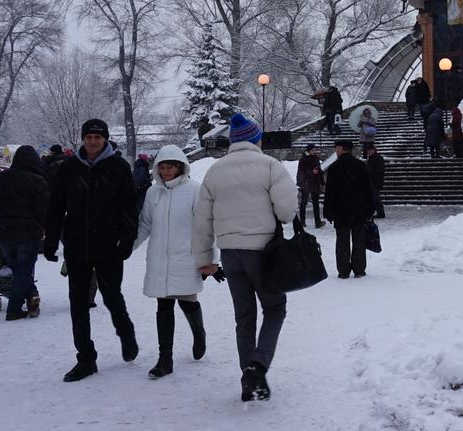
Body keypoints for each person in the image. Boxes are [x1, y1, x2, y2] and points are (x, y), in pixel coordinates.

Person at [194, 113, 297, 401]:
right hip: (263, 253)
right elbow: (286, 212)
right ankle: (258, 364)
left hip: (230, 254)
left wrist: (205, 257)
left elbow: (202, 219)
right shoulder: (270, 166)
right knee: (275, 308)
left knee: (244, 316)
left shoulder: (214, 171)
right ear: (255, 139)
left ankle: (247, 380)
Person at [43, 118, 140, 383]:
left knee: (111, 296)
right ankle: (86, 358)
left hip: (109, 246)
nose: (93, 141)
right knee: (78, 304)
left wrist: (126, 240)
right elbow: (55, 207)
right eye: (89, 137)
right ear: (83, 139)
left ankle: (126, 332)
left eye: (98, 137)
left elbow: (129, 208)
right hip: (76, 245)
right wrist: (51, 240)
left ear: (105, 139)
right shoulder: (69, 168)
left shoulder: (118, 167)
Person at [135, 145, 206, 380]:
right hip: (160, 259)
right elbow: (145, 224)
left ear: (180, 167)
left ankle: (199, 333)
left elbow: (204, 228)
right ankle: (165, 359)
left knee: (187, 303)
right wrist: (126, 248)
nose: (166, 172)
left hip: (186, 258)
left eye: (171, 167)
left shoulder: (195, 190)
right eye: (162, 167)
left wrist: (209, 259)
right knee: (163, 308)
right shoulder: (153, 194)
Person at [0, 145, 49, 321]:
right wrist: (42, 226)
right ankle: (14, 308)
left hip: (4, 231)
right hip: (29, 232)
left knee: (15, 267)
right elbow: (43, 209)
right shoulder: (37, 180)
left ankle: (31, 294)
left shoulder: (0, 178)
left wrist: (2, 214)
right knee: (24, 270)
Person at [322, 139, 374, 279]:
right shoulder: (360, 165)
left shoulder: (334, 167)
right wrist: (370, 208)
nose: (335, 151)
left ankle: (343, 270)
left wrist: (328, 211)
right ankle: (359, 268)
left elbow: (330, 192)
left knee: (342, 242)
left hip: (341, 210)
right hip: (359, 209)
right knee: (359, 240)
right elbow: (368, 189)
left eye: (336, 148)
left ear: (342, 149)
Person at [296, 144, 325, 228]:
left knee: (315, 202)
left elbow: (318, 169)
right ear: (309, 150)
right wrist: (311, 172)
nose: (314, 151)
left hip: (314, 182)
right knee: (304, 202)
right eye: (313, 150)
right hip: (306, 183)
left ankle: (317, 222)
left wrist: (321, 180)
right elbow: (302, 171)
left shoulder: (315, 157)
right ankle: (302, 221)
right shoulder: (303, 159)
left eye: (315, 150)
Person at [365, 142, 387, 219]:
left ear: (374, 150)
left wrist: (370, 171)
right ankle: (376, 212)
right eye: (368, 150)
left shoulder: (378, 158)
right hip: (371, 181)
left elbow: (380, 170)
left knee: (376, 198)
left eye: (370, 150)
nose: (368, 152)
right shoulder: (371, 158)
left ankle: (380, 212)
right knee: (373, 197)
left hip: (376, 181)